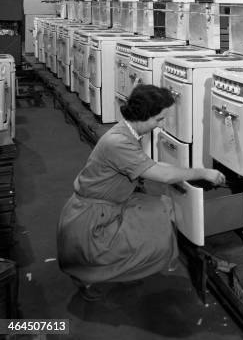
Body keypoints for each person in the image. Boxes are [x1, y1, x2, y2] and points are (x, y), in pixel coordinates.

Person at [56, 84, 226, 301]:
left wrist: (189, 173)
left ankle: (112, 270)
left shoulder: (128, 132)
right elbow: (162, 175)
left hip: (106, 205)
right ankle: (89, 278)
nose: (160, 124)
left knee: (159, 207)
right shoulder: (118, 142)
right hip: (92, 217)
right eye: (159, 119)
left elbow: (152, 166)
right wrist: (203, 172)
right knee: (130, 243)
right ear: (145, 115)